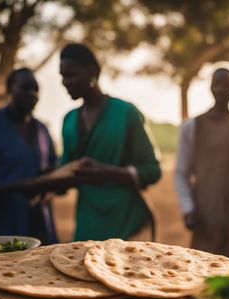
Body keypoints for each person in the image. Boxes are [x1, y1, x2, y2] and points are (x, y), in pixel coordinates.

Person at [59, 43, 161, 241]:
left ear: (92, 71)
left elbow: (152, 170)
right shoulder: (69, 120)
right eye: (62, 76)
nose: (65, 82)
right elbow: (66, 171)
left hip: (127, 223)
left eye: (71, 74)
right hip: (87, 224)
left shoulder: (126, 113)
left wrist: (105, 171)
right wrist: (42, 181)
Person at [175, 68, 229, 264]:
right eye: (217, 84)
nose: (221, 90)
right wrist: (188, 208)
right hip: (205, 211)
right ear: (210, 88)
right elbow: (181, 173)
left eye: (226, 85)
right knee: (205, 270)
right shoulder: (192, 127)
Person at [0, 68, 58, 243]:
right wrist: (22, 186)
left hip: (41, 222)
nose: (31, 93)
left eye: (35, 89)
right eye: (25, 87)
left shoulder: (42, 130)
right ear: (9, 90)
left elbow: (52, 164)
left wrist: (51, 181)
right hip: (4, 223)